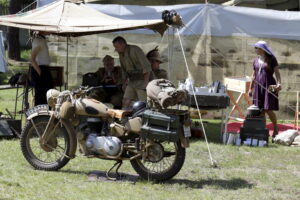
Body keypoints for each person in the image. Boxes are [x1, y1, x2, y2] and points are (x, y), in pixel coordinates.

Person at [248, 41, 282, 141]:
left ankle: (275, 128)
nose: (255, 49)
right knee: (260, 110)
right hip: (258, 87)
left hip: (269, 86)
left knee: (268, 109)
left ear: (262, 49)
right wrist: (251, 88)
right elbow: (253, 75)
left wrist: (279, 84)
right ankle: (263, 131)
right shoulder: (255, 61)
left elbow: (277, 73)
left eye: (256, 48)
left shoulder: (272, 59)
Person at [112, 36, 152, 110]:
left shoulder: (135, 50)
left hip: (142, 80)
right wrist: (124, 83)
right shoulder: (121, 54)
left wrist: (146, 83)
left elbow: (147, 67)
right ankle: (124, 119)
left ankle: (142, 120)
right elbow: (124, 70)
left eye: (117, 47)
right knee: (125, 101)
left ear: (123, 44)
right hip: (132, 81)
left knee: (143, 104)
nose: (116, 49)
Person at [30, 31, 53, 106]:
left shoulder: (42, 40)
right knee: (41, 95)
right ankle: (40, 116)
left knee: (47, 94)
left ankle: (46, 115)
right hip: (40, 69)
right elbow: (32, 60)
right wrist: (41, 73)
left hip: (44, 69)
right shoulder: (38, 41)